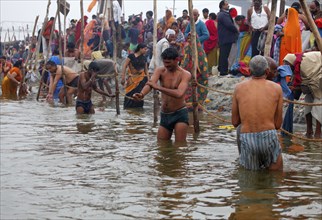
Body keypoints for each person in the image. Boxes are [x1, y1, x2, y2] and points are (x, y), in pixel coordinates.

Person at [232, 55, 283, 171]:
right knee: (276, 178)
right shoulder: (276, 88)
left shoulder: (238, 88)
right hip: (269, 136)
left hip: (247, 138)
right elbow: (278, 125)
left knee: (249, 182)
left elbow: (235, 122)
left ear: (249, 71)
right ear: (267, 71)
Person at [133, 48, 191, 142]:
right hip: (165, 114)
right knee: (161, 146)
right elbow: (150, 84)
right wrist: (142, 94)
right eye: (165, 63)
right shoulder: (160, 70)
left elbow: (179, 93)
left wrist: (158, 87)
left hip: (179, 113)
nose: (166, 65)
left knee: (180, 147)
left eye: (169, 63)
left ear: (177, 60)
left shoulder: (185, 74)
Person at [283, 52, 322, 138]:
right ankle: (309, 131)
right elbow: (301, 83)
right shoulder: (296, 68)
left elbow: (311, 81)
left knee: (318, 106)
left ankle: (318, 132)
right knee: (307, 106)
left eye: (287, 65)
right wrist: (294, 87)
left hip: (318, 81)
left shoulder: (304, 65)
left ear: (291, 63)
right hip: (311, 85)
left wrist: (296, 88)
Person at [121, 43, 148, 108]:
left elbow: (146, 70)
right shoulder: (131, 56)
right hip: (132, 78)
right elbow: (124, 66)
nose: (146, 51)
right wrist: (123, 77)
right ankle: (128, 108)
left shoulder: (144, 58)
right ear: (140, 49)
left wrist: (149, 80)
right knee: (129, 93)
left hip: (141, 79)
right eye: (145, 49)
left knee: (140, 93)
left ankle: (138, 108)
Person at [217, 0, 239, 76]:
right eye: (226, 4)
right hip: (226, 38)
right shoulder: (223, 15)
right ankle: (223, 71)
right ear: (222, 6)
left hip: (224, 38)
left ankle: (221, 69)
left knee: (223, 54)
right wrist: (236, 30)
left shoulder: (222, 14)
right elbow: (229, 25)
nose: (228, 6)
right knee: (224, 55)